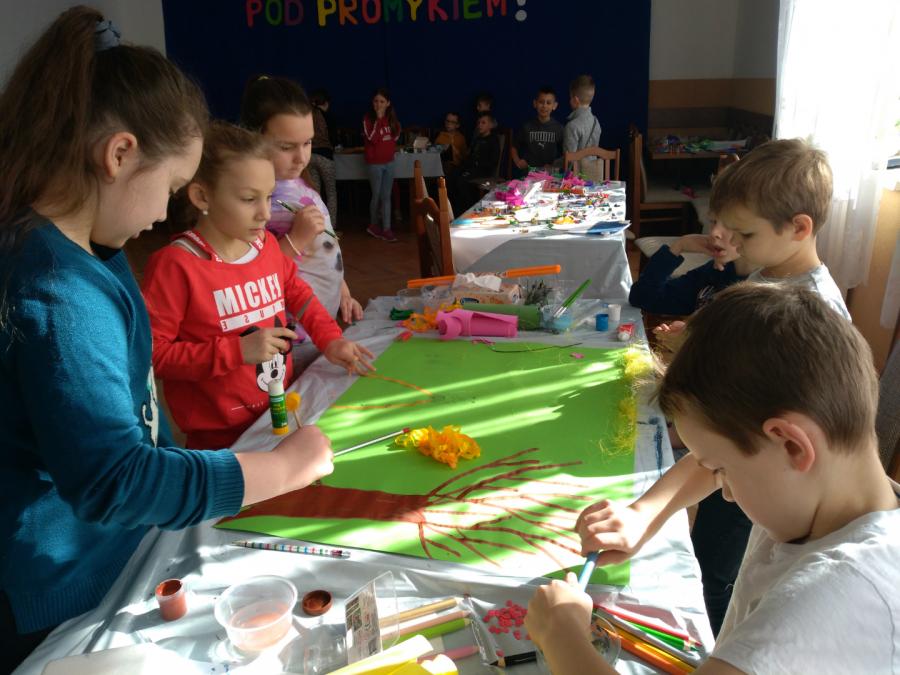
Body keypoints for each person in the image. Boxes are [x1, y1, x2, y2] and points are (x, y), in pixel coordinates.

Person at [0, 9, 332, 671]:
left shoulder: (90, 248)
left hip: (106, 551)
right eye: (173, 188)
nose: (162, 213)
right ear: (119, 154)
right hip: (61, 583)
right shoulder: (59, 292)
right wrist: (280, 470)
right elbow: (115, 477)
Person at [526, 283, 900, 674]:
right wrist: (643, 514)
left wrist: (562, 637)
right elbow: (706, 463)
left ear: (791, 445)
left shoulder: (835, 597)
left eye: (724, 471)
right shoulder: (824, 490)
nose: (726, 492)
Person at [142, 122, 375, 450]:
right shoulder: (176, 266)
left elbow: (297, 293)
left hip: (279, 411)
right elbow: (154, 355)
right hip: (219, 439)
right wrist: (235, 352)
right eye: (249, 199)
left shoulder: (264, 245)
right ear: (202, 196)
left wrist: (330, 339)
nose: (265, 213)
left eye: (268, 197)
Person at [240, 75, 362, 326]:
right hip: (291, 332)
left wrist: (343, 293)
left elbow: (326, 245)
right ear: (254, 137)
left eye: (307, 143)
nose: (301, 157)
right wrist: (295, 240)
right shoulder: (253, 199)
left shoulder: (300, 183)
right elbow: (248, 274)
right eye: (286, 147)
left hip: (321, 324)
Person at [629, 229, 753, 317]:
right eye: (714, 222)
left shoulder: (757, 291)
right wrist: (679, 246)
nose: (714, 232)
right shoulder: (717, 269)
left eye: (729, 225)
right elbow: (642, 298)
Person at [362, 87, 401, 242]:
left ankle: (386, 229)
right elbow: (372, 138)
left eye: (382, 101)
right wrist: (378, 120)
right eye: (376, 101)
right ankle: (373, 225)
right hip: (374, 164)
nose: (378, 104)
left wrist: (386, 135)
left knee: (386, 195)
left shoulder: (392, 119)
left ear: (388, 103)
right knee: (377, 195)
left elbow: (395, 136)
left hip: (389, 162)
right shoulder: (368, 119)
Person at [451, 112, 501, 213]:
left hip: (483, 170)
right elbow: (470, 156)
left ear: (491, 125)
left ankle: (467, 210)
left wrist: (477, 163)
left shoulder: (493, 140)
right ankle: (454, 209)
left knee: (462, 181)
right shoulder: (477, 139)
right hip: (471, 167)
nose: (480, 125)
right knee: (452, 175)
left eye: (483, 123)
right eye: (479, 123)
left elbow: (493, 161)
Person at [510, 86, 564, 175]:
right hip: (528, 174)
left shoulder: (559, 128)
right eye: (541, 102)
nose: (544, 106)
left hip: (550, 175)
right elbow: (514, 146)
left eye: (548, 103)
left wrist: (555, 165)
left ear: (554, 106)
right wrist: (518, 161)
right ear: (535, 103)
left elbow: (566, 153)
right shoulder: (527, 126)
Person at [563, 74, 601, 155]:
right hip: (594, 163)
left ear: (575, 100)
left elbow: (569, 160)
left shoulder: (572, 126)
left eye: (570, 97)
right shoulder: (596, 122)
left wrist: (553, 162)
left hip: (578, 164)